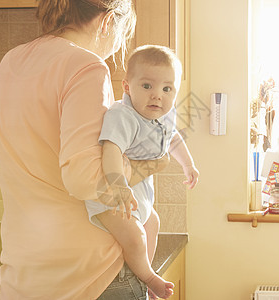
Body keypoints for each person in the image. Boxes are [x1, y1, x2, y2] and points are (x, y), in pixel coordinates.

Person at [0, 1, 169, 299]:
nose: (116, 47)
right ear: (108, 20)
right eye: (123, 35)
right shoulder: (86, 67)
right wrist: (149, 164)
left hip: (23, 275)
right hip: (90, 277)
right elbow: (85, 178)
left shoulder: (11, 61)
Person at [85, 45, 199, 299]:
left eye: (167, 89)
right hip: (112, 199)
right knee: (135, 236)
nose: (157, 96)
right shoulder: (123, 116)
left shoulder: (164, 115)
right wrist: (119, 185)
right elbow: (112, 149)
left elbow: (174, 139)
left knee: (153, 222)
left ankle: (143, 275)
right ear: (127, 87)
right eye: (147, 86)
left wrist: (188, 165)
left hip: (139, 195)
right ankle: (148, 276)